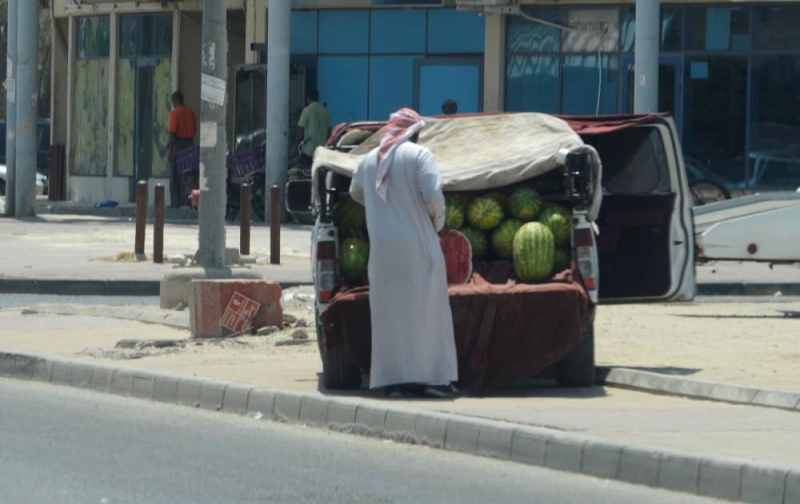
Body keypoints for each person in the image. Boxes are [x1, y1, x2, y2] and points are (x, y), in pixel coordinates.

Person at [349, 108, 459, 399]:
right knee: (429, 312)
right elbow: (432, 194)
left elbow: (356, 192)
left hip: (382, 252)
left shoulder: (367, 161)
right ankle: (435, 380)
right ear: (415, 132)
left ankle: (393, 383)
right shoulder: (420, 155)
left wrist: (381, 208)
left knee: (389, 317)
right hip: (418, 247)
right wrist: (440, 224)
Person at [168, 91, 197, 208]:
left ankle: (175, 202)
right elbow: (194, 130)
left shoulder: (174, 114)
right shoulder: (191, 113)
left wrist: (171, 151)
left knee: (175, 175)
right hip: (189, 145)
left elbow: (172, 134)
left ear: (175, 101)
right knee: (189, 174)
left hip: (179, 145)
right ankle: (190, 201)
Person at [295, 90, 331, 167]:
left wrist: (296, 146)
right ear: (318, 98)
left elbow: (300, 129)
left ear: (308, 98)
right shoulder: (326, 112)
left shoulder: (307, 110)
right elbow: (329, 132)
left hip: (308, 151)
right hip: (321, 152)